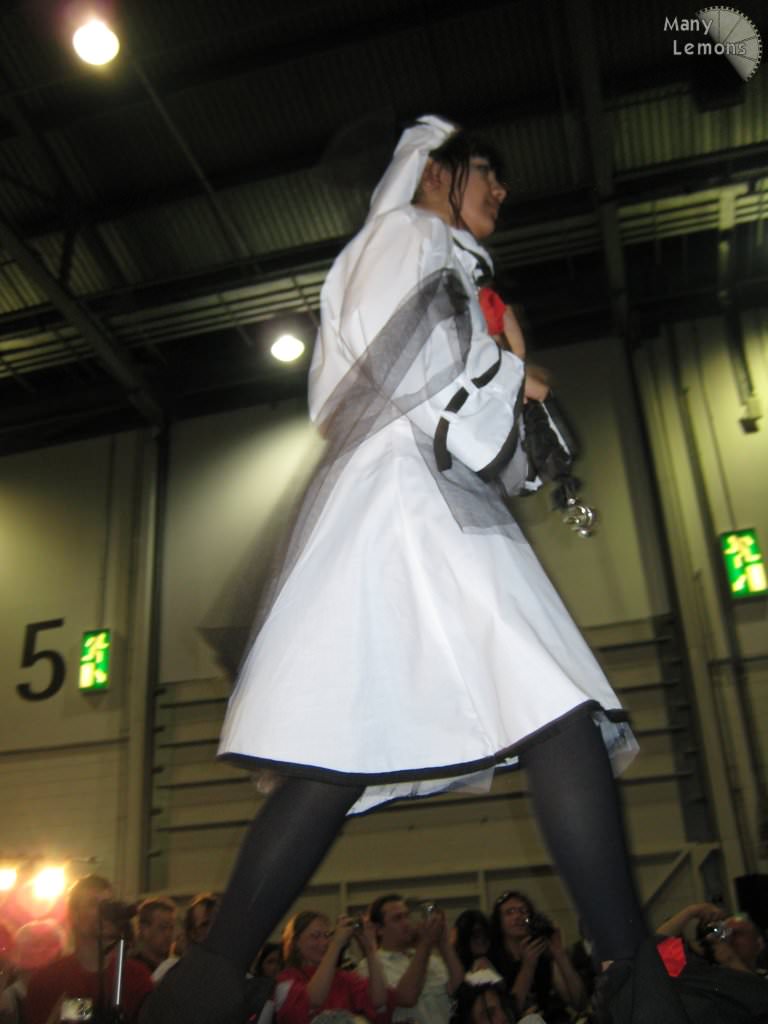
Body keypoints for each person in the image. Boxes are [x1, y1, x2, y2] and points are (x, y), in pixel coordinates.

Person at [140, 115, 688, 1024]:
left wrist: (507, 381)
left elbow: (408, 384)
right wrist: (513, 379)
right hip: (416, 498)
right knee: (556, 708)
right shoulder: (411, 233)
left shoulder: (410, 248)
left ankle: (201, 987)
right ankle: (635, 980)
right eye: (487, 172)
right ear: (437, 173)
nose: (501, 190)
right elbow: (412, 368)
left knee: (335, 756)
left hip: (404, 497)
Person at [24, 875, 153, 1024]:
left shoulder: (136, 976)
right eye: (93, 904)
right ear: (74, 915)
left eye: (108, 904)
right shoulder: (47, 980)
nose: (105, 912)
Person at [357, 895, 463, 1024]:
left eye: (407, 916)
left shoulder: (431, 960)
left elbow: (460, 990)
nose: (406, 923)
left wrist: (444, 944)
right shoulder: (370, 966)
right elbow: (406, 997)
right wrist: (425, 943)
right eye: (397, 918)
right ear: (379, 929)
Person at [275, 911, 394, 1024]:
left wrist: (370, 949)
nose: (324, 942)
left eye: (327, 936)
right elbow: (313, 1000)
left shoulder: (343, 978)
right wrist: (336, 944)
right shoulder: (286, 981)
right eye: (315, 936)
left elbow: (378, 1001)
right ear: (295, 942)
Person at [488, 891, 584, 1023]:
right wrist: (528, 966)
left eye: (523, 911)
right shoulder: (492, 961)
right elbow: (509, 1012)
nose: (518, 916)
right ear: (499, 922)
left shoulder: (542, 956)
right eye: (510, 912)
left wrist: (559, 953)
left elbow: (579, 1002)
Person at [131, 897, 177, 973]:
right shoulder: (132, 969)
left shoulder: (176, 968)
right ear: (144, 929)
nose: (168, 934)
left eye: (171, 928)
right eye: (163, 927)